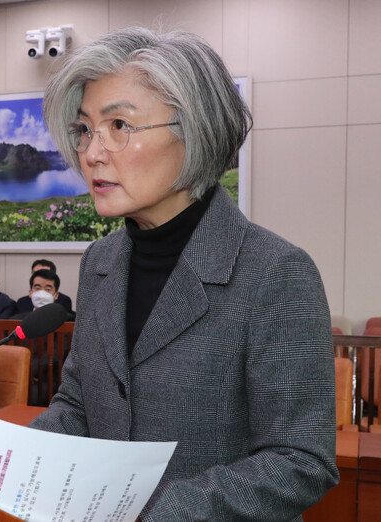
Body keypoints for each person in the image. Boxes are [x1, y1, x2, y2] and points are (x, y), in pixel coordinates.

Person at [28, 27, 338, 520]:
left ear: (194, 129)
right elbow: (78, 407)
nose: (91, 152)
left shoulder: (275, 271)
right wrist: (15, 457)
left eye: (119, 127)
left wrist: (162, 508)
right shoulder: (100, 263)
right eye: (85, 129)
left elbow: (301, 461)